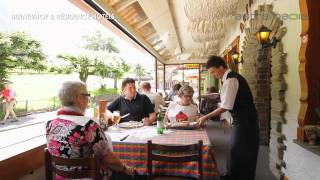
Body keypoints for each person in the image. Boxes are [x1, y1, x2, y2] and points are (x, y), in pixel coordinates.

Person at [46, 81, 140, 180]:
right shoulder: (88, 126)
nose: (88, 100)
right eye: (87, 95)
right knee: (132, 176)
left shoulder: (49, 124)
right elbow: (109, 160)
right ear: (79, 98)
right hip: (90, 177)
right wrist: (127, 169)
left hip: (61, 178)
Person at [198, 56, 260, 180]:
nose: (214, 75)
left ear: (221, 67)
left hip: (246, 121)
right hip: (242, 120)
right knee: (235, 150)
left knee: (240, 152)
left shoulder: (231, 79)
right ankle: (231, 176)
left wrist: (206, 116)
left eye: (214, 72)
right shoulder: (229, 78)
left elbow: (226, 106)